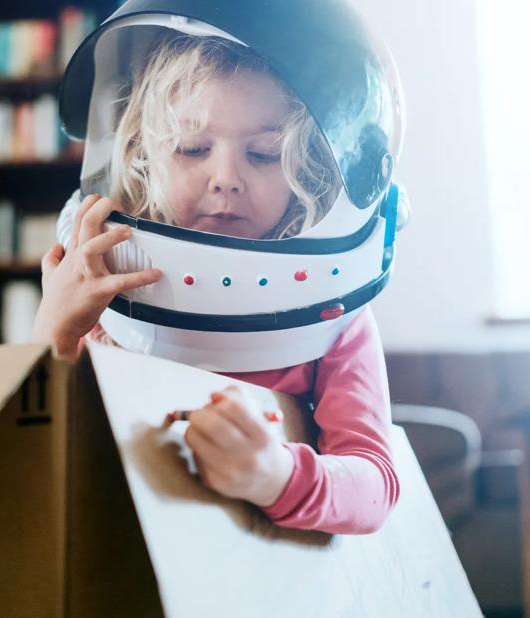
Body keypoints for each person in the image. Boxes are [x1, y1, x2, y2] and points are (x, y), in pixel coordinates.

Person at [33, 1, 407, 535]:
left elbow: (375, 487)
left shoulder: (333, 316)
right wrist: (56, 328)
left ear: (313, 167)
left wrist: (274, 476)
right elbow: (41, 436)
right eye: (191, 148)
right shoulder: (105, 287)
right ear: (145, 155)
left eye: (264, 153)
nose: (225, 178)